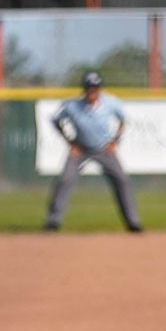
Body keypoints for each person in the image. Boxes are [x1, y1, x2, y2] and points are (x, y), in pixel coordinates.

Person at [43, 71, 143, 233]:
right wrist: (70, 141)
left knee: (122, 180)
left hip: (104, 149)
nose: (92, 92)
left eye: (95, 88)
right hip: (81, 149)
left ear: (100, 89)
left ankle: (133, 222)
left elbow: (123, 119)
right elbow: (56, 121)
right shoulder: (72, 106)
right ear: (84, 90)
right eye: (89, 88)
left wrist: (115, 141)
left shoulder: (111, 103)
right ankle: (53, 221)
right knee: (64, 180)